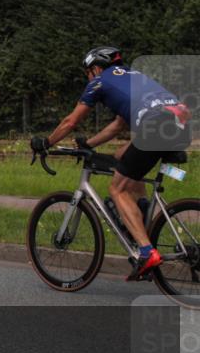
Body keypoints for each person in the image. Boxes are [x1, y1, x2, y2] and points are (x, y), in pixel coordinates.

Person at [31, 46, 192, 280]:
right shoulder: (133, 76)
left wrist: (46, 143)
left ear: (95, 68)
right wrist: (89, 144)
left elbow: (70, 122)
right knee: (121, 156)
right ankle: (142, 213)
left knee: (117, 188)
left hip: (155, 126)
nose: (88, 77)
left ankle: (147, 252)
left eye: (87, 72)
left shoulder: (99, 81)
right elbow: (118, 125)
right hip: (179, 123)